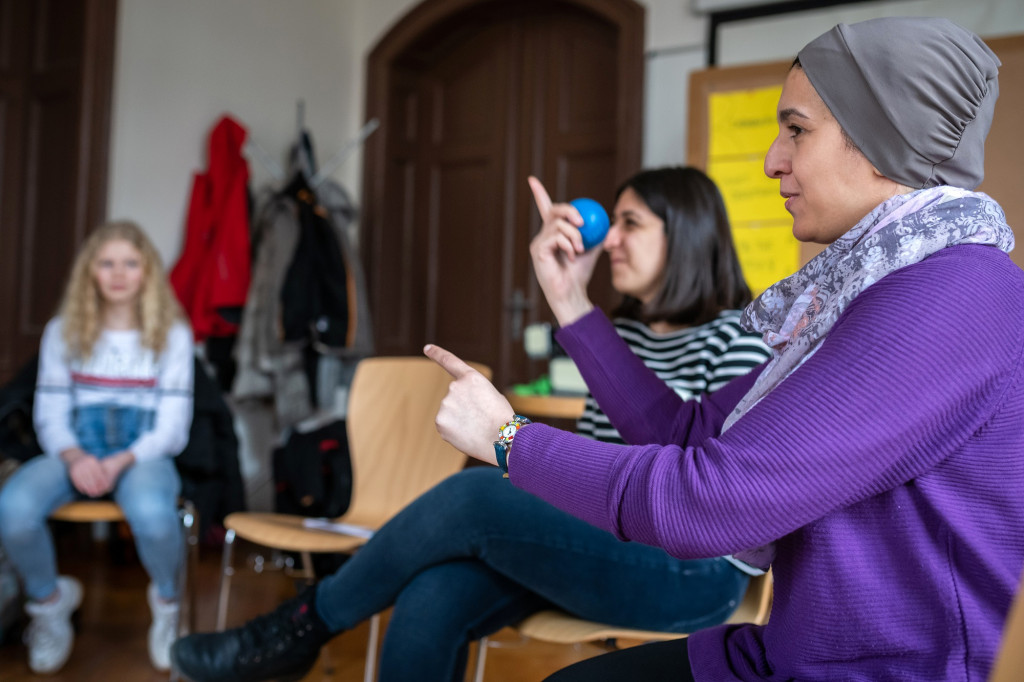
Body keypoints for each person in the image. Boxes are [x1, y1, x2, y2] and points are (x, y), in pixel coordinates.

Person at [425, 16, 1024, 682]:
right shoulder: (880, 285)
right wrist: (570, 301)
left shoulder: (950, 295)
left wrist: (510, 440)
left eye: (796, 130)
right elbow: (690, 433)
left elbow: (706, 501)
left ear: (884, 135)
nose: (773, 159)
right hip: (798, 653)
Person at [169, 167, 771, 682]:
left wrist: (515, 439)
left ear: (687, 235)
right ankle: (295, 631)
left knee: (479, 490)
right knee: (432, 598)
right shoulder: (623, 334)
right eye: (611, 220)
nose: (609, 238)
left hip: (692, 566)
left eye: (631, 224)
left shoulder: (739, 339)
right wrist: (570, 300)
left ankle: (295, 630)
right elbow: (599, 455)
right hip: (602, 536)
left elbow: (699, 483)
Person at [0, 221, 194, 674]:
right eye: (106, 263)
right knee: (12, 507)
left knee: (153, 514)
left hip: (141, 452)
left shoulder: (173, 335)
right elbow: (49, 414)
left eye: (130, 263)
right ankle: (48, 603)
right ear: (90, 272)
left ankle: (169, 604)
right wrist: (76, 457)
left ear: (147, 272)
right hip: (75, 448)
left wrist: (121, 460)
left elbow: (172, 426)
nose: (118, 274)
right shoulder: (62, 332)